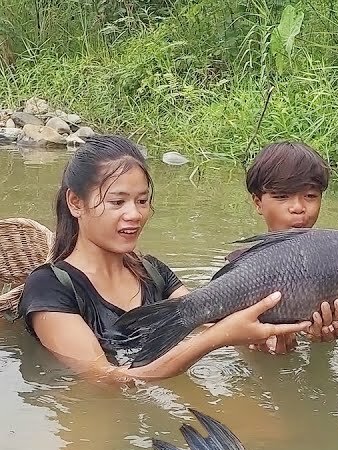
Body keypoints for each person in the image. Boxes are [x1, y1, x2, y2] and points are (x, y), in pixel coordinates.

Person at [17, 134, 319, 384]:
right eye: (117, 202)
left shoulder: (153, 272)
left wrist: (275, 337)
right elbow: (105, 381)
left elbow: (209, 320)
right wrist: (218, 338)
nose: (134, 214)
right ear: (75, 202)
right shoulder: (49, 287)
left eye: (142, 201)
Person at [242, 140, 338, 354]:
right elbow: (224, 337)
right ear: (258, 203)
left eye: (310, 196)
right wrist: (250, 346)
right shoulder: (240, 268)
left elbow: (334, 324)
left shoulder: (331, 264)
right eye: (282, 196)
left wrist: (327, 340)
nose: (298, 208)